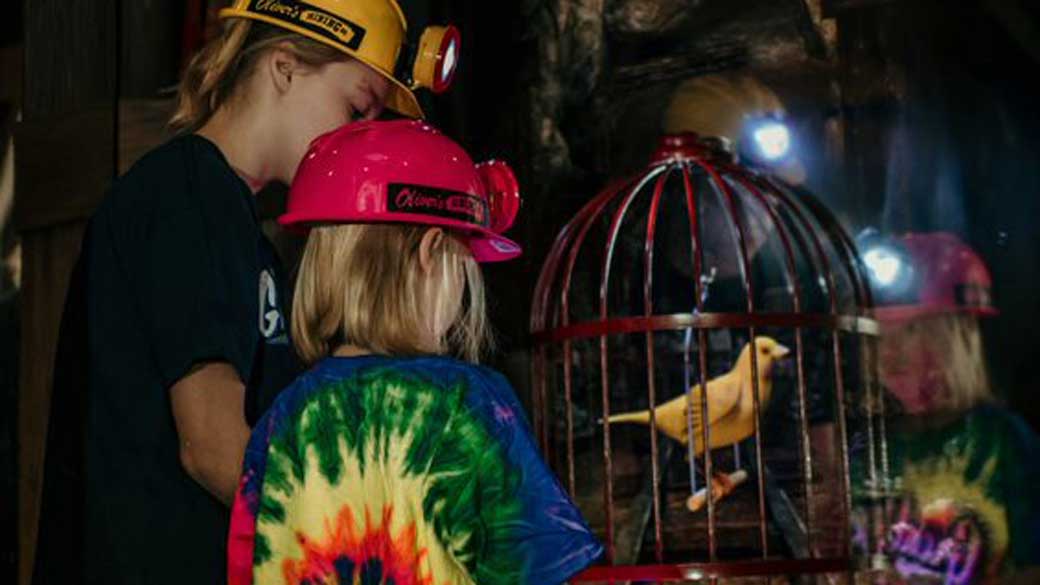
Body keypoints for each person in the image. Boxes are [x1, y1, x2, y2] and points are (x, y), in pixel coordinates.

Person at [33, 2, 461, 583]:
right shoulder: (185, 191)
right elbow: (210, 443)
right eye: (354, 109)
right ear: (284, 67)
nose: (356, 140)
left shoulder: (241, 228)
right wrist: (355, 550)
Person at [226, 119, 603, 585]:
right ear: (430, 252)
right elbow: (538, 570)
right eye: (466, 262)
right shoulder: (461, 404)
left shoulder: (282, 418)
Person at [856, 232, 1040, 585]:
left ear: (955, 335)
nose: (888, 352)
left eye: (909, 330)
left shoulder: (1003, 443)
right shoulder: (865, 448)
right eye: (878, 335)